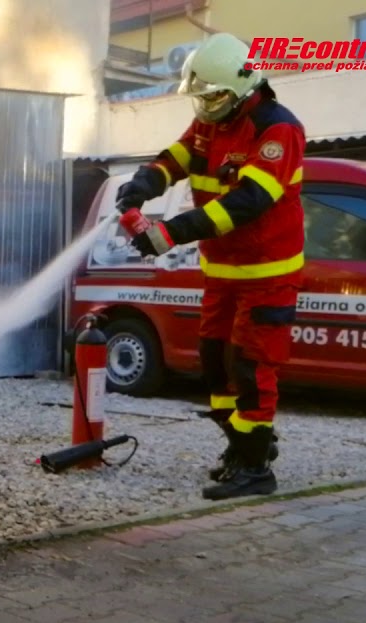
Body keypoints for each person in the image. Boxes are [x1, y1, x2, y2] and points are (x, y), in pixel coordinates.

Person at [115, 32, 307, 501]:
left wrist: (170, 232)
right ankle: (242, 448)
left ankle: (257, 467)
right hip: (223, 273)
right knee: (215, 363)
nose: (205, 107)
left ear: (243, 87)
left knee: (251, 366)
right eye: (202, 98)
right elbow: (177, 158)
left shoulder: (277, 130)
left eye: (214, 97)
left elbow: (247, 202)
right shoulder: (214, 117)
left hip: (267, 274)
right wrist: (141, 184)